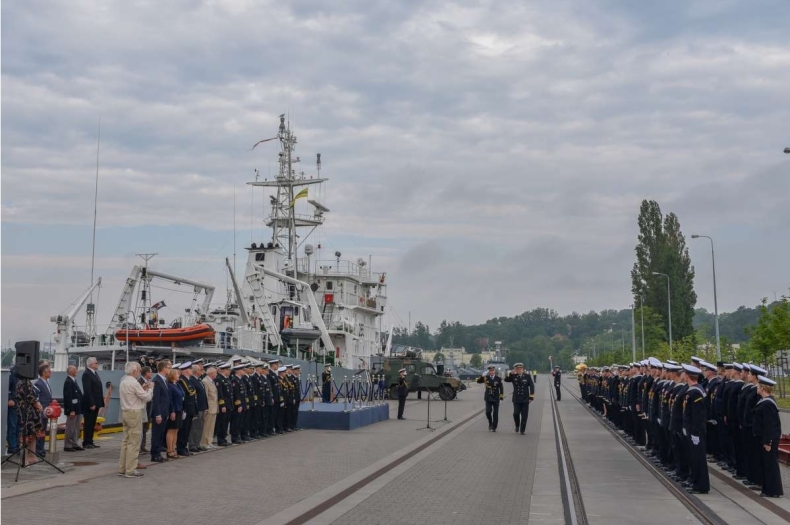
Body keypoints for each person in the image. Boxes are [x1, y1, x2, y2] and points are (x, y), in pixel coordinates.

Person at [118, 362, 153, 478]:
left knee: (125, 442)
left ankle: (122, 468)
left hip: (125, 412)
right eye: (138, 370)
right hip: (134, 413)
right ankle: (130, 470)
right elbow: (147, 398)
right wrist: (150, 389)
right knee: (134, 443)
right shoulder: (134, 382)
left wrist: (142, 389)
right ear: (134, 371)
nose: (139, 371)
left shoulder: (123, 381)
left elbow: (133, 394)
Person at [753, 376, 783, 498]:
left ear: (762, 388)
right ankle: (768, 489)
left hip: (768, 439)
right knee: (766, 464)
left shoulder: (767, 404)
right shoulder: (765, 401)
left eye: (758, 386)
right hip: (764, 438)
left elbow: (769, 425)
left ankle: (773, 490)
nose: (756, 388)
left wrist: (768, 442)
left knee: (770, 464)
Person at [681, 364, 709, 494]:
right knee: (694, 458)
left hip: (695, 431)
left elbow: (698, 415)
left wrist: (696, 433)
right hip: (692, 430)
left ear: (687, 376)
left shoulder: (695, 392)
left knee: (698, 459)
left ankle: (701, 485)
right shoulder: (693, 390)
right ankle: (695, 481)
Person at [15, 378, 44, 466]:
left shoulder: (28, 382)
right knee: (25, 434)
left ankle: (32, 456)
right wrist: (37, 404)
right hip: (24, 411)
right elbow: (29, 396)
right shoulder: (22, 382)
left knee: (33, 432)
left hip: (32, 412)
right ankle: (24, 458)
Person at [150, 360, 172, 463]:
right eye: (168, 368)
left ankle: (158, 453)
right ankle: (155, 454)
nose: (169, 370)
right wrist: (158, 414)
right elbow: (156, 399)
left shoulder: (164, 380)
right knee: (157, 434)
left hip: (164, 412)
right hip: (159, 413)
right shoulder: (157, 380)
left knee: (161, 433)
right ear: (163, 369)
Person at [504, 363, 535, 435]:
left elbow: (532, 386)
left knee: (524, 416)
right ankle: (517, 425)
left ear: (523, 369)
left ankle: (522, 430)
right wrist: (510, 373)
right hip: (516, 399)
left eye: (520, 369)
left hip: (525, 399)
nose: (519, 370)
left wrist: (531, 396)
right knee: (516, 414)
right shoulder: (513, 376)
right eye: (517, 369)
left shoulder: (527, 376)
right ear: (516, 370)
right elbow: (506, 380)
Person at [81, 357, 104, 449]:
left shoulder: (94, 373)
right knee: (88, 422)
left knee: (92, 422)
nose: (97, 364)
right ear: (91, 364)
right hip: (90, 404)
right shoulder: (87, 374)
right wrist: (91, 403)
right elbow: (88, 390)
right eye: (96, 363)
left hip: (96, 402)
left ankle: (90, 441)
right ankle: (86, 442)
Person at [177, 362, 197, 456]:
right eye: (190, 369)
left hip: (190, 408)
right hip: (186, 409)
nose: (192, 371)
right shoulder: (181, 381)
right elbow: (183, 396)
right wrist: (184, 410)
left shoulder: (188, 380)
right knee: (183, 430)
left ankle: (184, 447)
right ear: (185, 370)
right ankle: (181, 448)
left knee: (187, 429)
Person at [62, 365, 84, 452]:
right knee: (70, 427)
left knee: (76, 427)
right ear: (71, 372)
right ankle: (68, 445)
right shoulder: (68, 382)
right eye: (76, 370)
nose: (77, 371)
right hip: (73, 409)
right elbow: (68, 397)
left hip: (77, 408)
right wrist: (71, 410)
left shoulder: (73, 381)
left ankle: (74, 443)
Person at [476, 365, 504, 432]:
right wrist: (482, 376)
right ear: (489, 371)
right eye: (490, 371)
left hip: (496, 397)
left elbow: (501, 388)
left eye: (492, 370)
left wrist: (501, 398)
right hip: (488, 397)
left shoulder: (498, 378)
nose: (491, 372)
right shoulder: (486, 378)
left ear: (494, 371)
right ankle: (490, 423)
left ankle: (494, 427)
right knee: (488, 412)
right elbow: (478, 381)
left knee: (495, 414)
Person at [34, 364, 53, 456]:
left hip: (46, 411)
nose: (50, 373)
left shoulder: (46, 382)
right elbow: (36, 397)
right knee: (40, 429)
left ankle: (41, 448)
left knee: (43, 430)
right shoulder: (38, 383)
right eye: (49, 371)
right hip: (41, 411)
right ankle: (38, 449)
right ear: (44, 373)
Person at [188, 363, 208, 452]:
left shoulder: (199, 380)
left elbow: (203, 395)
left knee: (200, 426)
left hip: (202, 407)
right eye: (201, 370)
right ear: (196, 371)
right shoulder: (192, 380)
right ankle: (192, 444)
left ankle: (197, 443)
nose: (202, 371)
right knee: (194, 427)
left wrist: (206, 407)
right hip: (197, 407)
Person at [166, 368, 184, 459]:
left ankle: (173, 449)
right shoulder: (169, 386)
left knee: (176, 430)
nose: (178, 375)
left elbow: (182, 395)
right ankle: (169, 450)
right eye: (177, 374)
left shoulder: (177, 385)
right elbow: (170, 400)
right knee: (171, 430)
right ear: (172, 375)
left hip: (179, 409)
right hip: (174, 410)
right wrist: (172, 411)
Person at [215, 363, 233, 445]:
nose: (230, 372)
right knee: (221, 422)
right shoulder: (219, 379)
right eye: (228, 370)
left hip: (229, 404)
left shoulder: (227, 379)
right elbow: (220, 393)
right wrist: (222, 405)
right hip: (224, 405)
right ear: (224, 370)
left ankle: (224, 438)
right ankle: (220, 439)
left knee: (226, 422)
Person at [201, 366, 219, 450]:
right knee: (207, 426)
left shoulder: (212, 381)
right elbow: (205, 395)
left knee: (211, 427)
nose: (216, 374)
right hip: (209, 407)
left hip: (214, 407)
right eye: (215, 372)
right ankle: (204, 443)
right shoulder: (205, 381)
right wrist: (206, 407)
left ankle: (210, 441)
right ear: (211, 373)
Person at [137, 366, 153, 453]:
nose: (151, 373)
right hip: (143, 408)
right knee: (142, 428)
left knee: (146, 427)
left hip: (149, 408)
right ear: (146, 373)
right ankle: (140, 447)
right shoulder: (140, 382)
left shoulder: (148, 382)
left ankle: (143, 446)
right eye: (150, 372)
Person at [6, 364, 20, 456]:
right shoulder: (12, 372)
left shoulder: (24, 373)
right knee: (13, 425)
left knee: (18, 425)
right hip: (13, 402)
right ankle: (12, 446)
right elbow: (6, 386)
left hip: (20, 403)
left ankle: (17, 444)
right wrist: (9, 398)